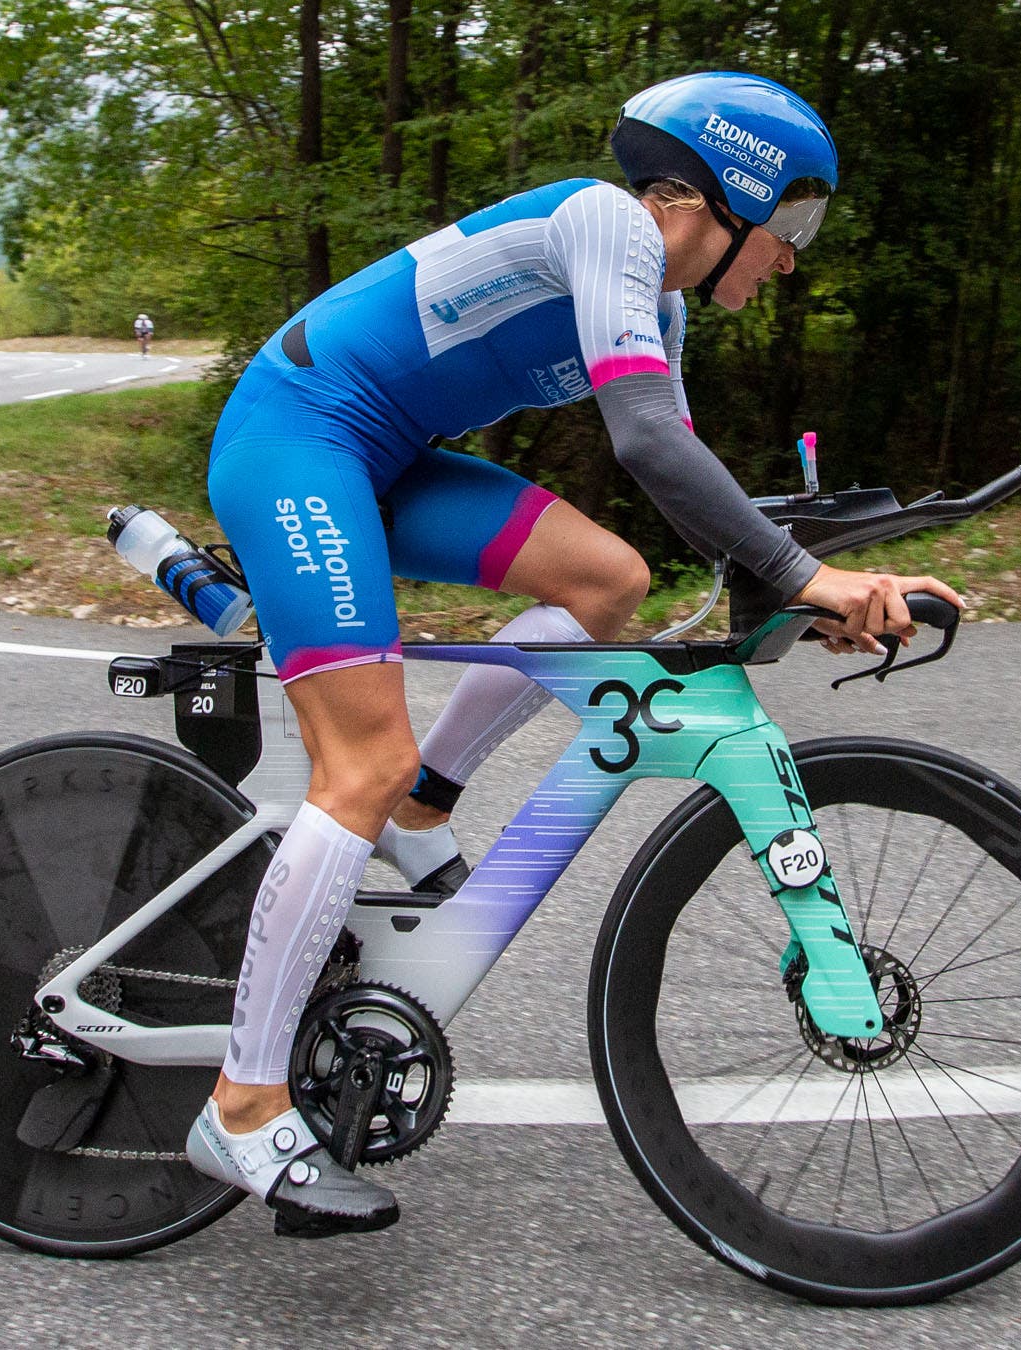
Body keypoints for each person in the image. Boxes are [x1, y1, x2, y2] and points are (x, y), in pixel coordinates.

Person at [184, 71, 961, 1237]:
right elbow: (645, 441)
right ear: (718, 195)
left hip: (383, 452)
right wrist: (807, 578)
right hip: (297, 434)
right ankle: (242, 1109)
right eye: (793, 223)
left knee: (610, 582)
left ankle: (427, 807)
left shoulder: (666, 304)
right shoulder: (610, 225)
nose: (794, 256)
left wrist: (826, 573)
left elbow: (693, 493)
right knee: (359, 760)